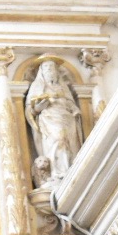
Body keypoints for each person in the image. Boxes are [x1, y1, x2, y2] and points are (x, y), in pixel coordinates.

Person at [24, 59, 82, 189]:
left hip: (66, 119)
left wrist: (75, 109)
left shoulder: (62, 86)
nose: (50, 71)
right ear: (42, 72)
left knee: (68, 142)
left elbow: (70, 102)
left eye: (52, 68)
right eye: (47, 68)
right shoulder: (37, 86)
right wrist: (39, 106)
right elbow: (30, 109)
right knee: (58, 140)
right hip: (49, 119)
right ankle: (58, 173)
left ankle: (69, 169)